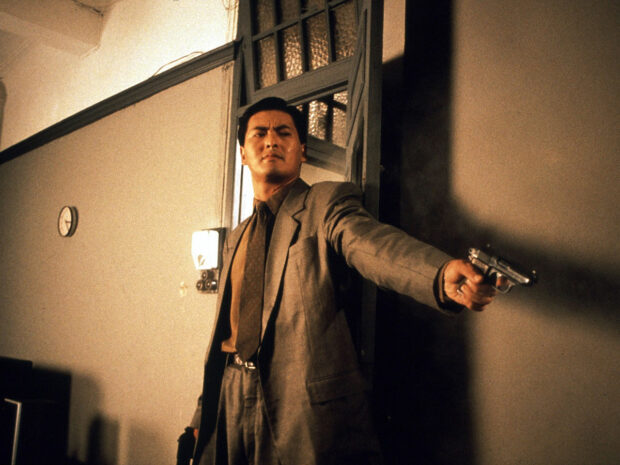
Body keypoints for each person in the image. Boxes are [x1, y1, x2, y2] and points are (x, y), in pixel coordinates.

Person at [187, 97, 499, 465]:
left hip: (297, 403)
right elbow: (224, 330)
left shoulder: (325, 203)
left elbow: (371, 246)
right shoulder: (237, 237)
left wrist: (438, 274)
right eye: (260, 133)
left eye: (283, 133)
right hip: (229, 395)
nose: (271, 141)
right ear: (243, 153)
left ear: (302, 150)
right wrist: (202, 415)